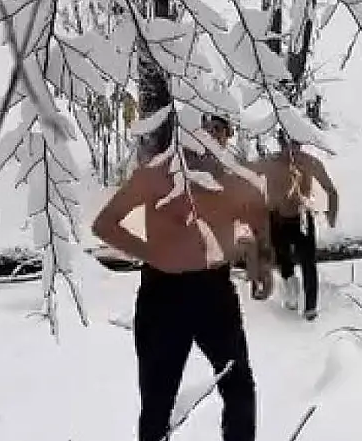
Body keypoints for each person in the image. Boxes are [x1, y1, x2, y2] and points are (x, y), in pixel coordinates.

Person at [92, 111, 274, 441]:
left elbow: (258, 222)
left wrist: (261, 265)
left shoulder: (230, 180)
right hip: (163, 295)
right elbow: (105, 224)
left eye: (221, 130)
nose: (212, 137)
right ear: (189, 130)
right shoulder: (157, 175)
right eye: (206, 128)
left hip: (214, 292)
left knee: (238, 385)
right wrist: (151, 252)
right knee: (158, 399)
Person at [249, 132, 339, 321]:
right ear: (280, 144)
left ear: (301, 145)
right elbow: (243, 174)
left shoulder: (309, 163)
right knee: (282, 257)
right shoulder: (269, 163)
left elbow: (331, 189)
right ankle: (290, 285)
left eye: (295, 145)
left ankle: (310, 307)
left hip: (302, 217)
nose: (291, 151)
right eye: (287, 145)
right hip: (277, 217)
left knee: (308, 262)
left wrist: (332, 215)